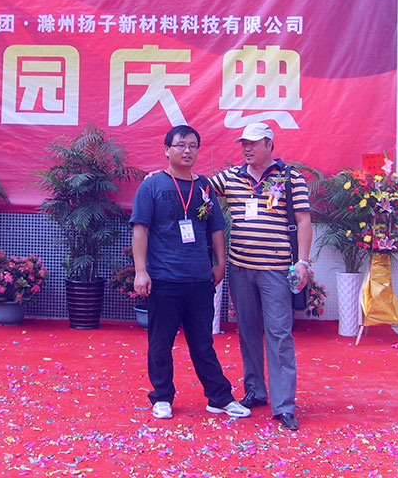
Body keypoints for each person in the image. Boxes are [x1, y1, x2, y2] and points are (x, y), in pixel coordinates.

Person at [131, 125, 250, 421]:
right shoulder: (152, 186)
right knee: (161, 343)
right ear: (166, 150)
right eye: (181, 145)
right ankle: (162, 397)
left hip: (199, 279)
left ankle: (219, 398)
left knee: (203, 343)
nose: (187, 151)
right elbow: (140, 229)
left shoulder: (204, 186)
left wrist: (220, 263)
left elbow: (216, 228)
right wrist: (141, 271)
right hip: (164, 279)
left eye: (193, 146)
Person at [209, 122, 312, 431]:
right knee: (248, 332)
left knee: (279, 334)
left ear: (269, 145)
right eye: (244, 143)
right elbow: (197, 188)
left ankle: (284, 406)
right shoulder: (230, 177)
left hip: (276, 269)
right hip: (240, 269)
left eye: (253, 143)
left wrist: (303, 263)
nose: (247, 148)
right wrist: (162, 177)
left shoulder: (291, 177)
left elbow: (304, 221)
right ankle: (255, 390)